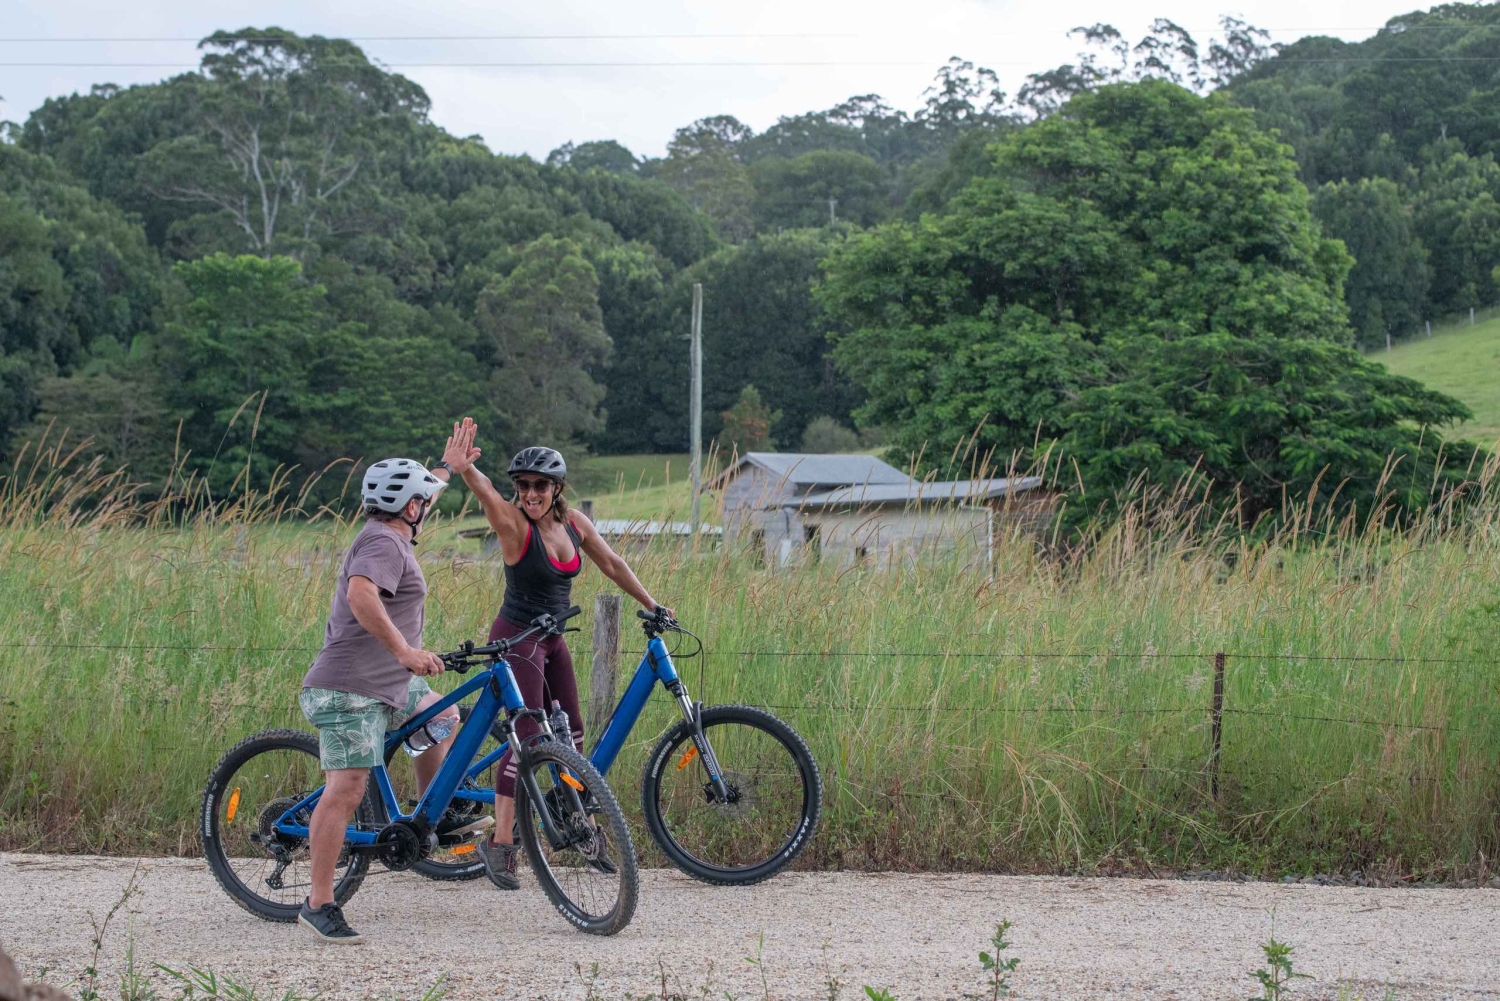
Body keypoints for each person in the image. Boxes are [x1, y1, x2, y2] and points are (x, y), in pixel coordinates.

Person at [443, 417, 672, 889]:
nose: (530, 493)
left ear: (556, 487)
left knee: (574, 734)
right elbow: (487, 493)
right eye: (523, 485)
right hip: (518, 639)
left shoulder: (572, 523)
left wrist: (652, 604)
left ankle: (579, 824)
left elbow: (611, 562)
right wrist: (465, 470)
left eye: (540, 485)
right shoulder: (511, 524)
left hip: (552, 638)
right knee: (526, 741)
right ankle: (501, 845)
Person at [296, 435, 471, 944]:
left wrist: (447, 469)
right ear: (408, 506)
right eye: (422, 500)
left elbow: (423, 493)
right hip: (350, 686)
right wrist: (405, 651)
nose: (426, 507)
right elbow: (361, 594)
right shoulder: (381, 542)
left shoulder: (392, 527)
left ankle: (426, 816)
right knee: (347, 790)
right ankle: (319, 902)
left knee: (443, 717)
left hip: (389, 684)